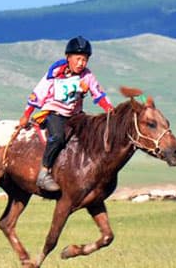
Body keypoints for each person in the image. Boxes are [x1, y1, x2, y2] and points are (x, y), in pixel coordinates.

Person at [18, 36, 113, 192]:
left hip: (75, 115)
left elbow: (99, 94)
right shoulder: (55, 73)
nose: (81, 63)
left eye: (85, 60)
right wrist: (26, 114)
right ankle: (44, 172)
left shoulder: (87, 76)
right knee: (57, 137)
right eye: (78, 59)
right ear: (68, 58)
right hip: (55, 112)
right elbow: (38, 92)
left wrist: (109, 109)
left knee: (91, 137)